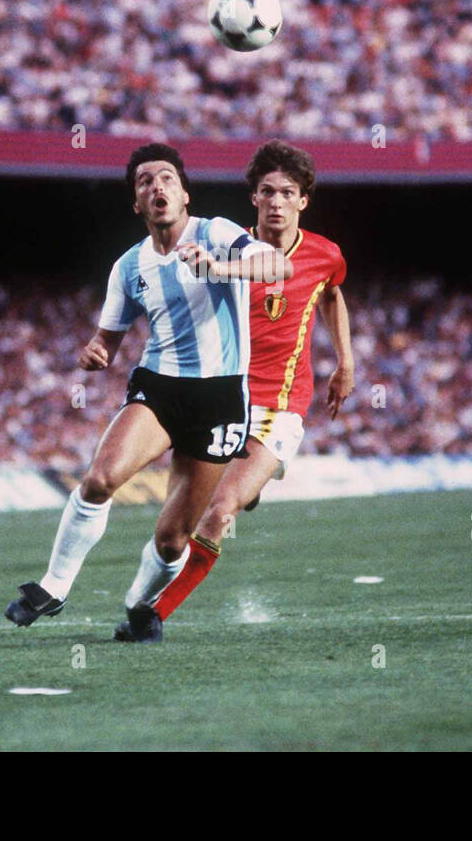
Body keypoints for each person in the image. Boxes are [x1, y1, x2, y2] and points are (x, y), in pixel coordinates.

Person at [5, 143, 292, 641]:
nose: (156, 186)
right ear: (136, 204)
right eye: (144, 182)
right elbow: (107, 340)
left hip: (221, 399)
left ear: (184, 193)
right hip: (159, 388)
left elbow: (280, 268)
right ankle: (53, 586)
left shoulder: (218, 233)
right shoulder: (129, 267)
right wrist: (95, 352)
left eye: (166, 178)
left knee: (172, 537)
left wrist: (219, 269)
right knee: (99, 479)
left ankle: (141, 608)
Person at [130, 140, 353, 634]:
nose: (276, 201)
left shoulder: (323, 255)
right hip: (221, 400)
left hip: (279, 406)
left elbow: (332, 295)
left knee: (220, 510)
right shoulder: (228, 245)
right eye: (266, 191)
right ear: (253, 198)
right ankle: (148, 589)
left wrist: (346, 362)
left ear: (303, 201)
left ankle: (153, 616)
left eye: (287, 192)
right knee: (175, 527)